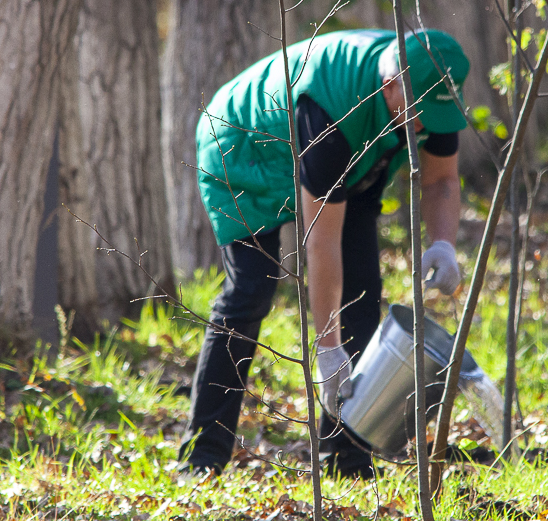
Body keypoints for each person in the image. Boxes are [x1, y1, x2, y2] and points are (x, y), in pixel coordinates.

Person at [178, 28, 471, 479]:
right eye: (418, 114)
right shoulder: (333, 105)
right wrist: (328, 351)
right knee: (252, 289)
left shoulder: (430, 94)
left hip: (346, 160)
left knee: (363, 295)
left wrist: (444, 243)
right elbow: (321, 241)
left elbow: (441, 181)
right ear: (390, 86)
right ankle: (202, 456)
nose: (423, 127)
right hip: (244, 143)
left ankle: (347, 458)